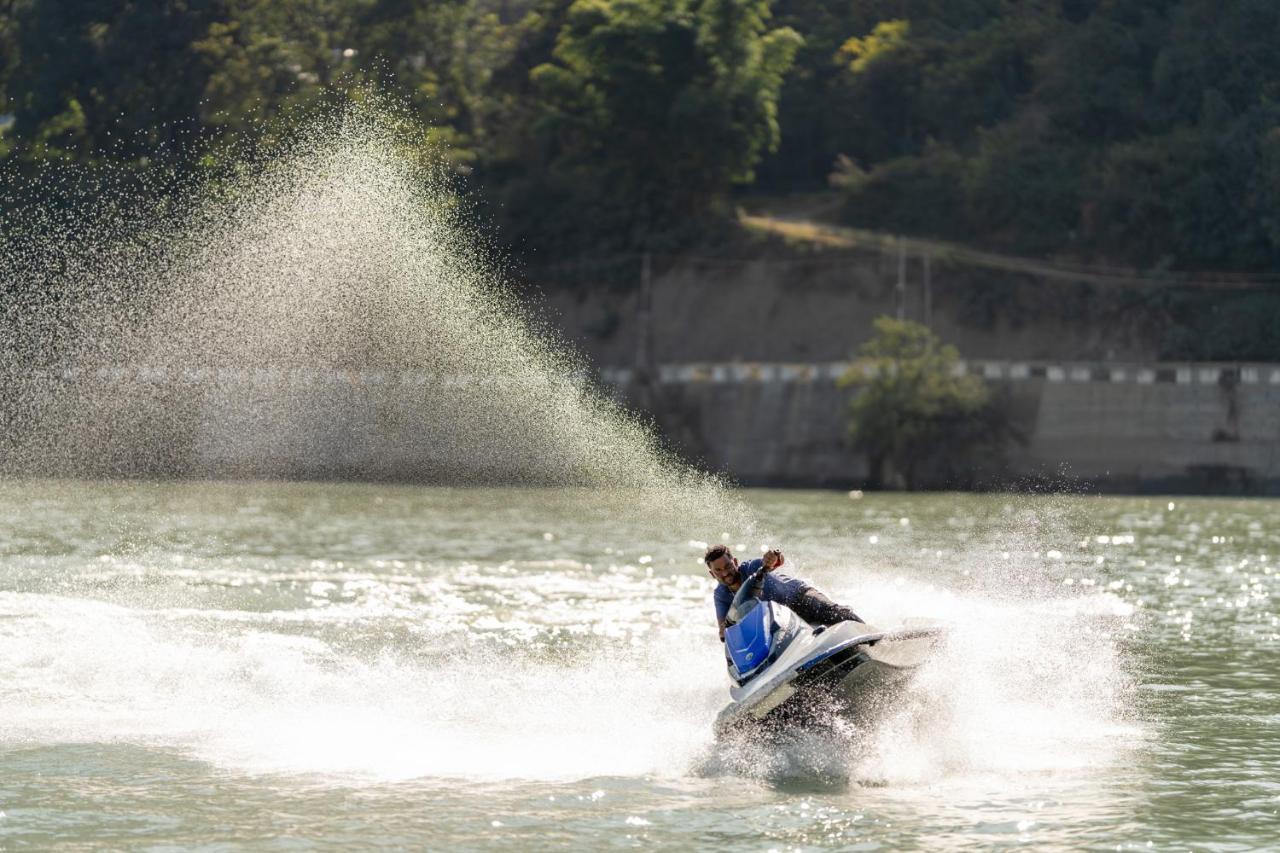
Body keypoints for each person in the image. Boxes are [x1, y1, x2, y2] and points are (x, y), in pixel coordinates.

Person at [705, 544, 862, 641]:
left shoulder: (752, 567)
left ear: (736, 563)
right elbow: (724, 628)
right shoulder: (721, 595)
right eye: (718, 570)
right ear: (712, 574)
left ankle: (879, 640)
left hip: (799, 598)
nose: (725, 573)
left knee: (836, 613)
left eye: (728, 566)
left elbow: (777, 561)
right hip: (780, 622)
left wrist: (774, 557)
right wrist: (723, 632)